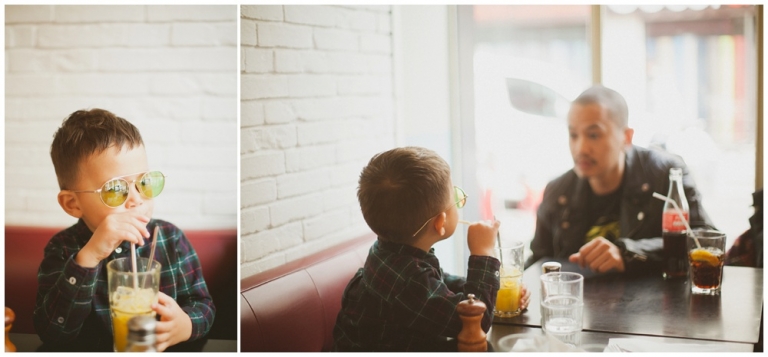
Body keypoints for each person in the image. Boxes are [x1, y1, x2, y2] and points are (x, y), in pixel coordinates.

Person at [34, 109, 215, 351]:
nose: (136, 200)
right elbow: (52, 333)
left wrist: (186, 325)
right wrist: (88, 257)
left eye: (144, 182)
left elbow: (203, 304)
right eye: (115, 189)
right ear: (73, 204)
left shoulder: (170, 238)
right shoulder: (63, 249)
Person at [333, 147, 530, 351]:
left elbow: (437, 284)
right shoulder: (409, 283)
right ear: (440, 222)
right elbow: (476, 324)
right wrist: (483, 254)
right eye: (455, 198)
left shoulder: (387, 251)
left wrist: (494, 292)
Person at [527, 85, 715, 275]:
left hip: (654, 302)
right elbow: (538, 262)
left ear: (626, 137)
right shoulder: (558, 191)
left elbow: (704, 242)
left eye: (593, 135)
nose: (581, 148)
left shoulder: (666, 175)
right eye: (573, 135)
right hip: (577, 301)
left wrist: (628, 253)